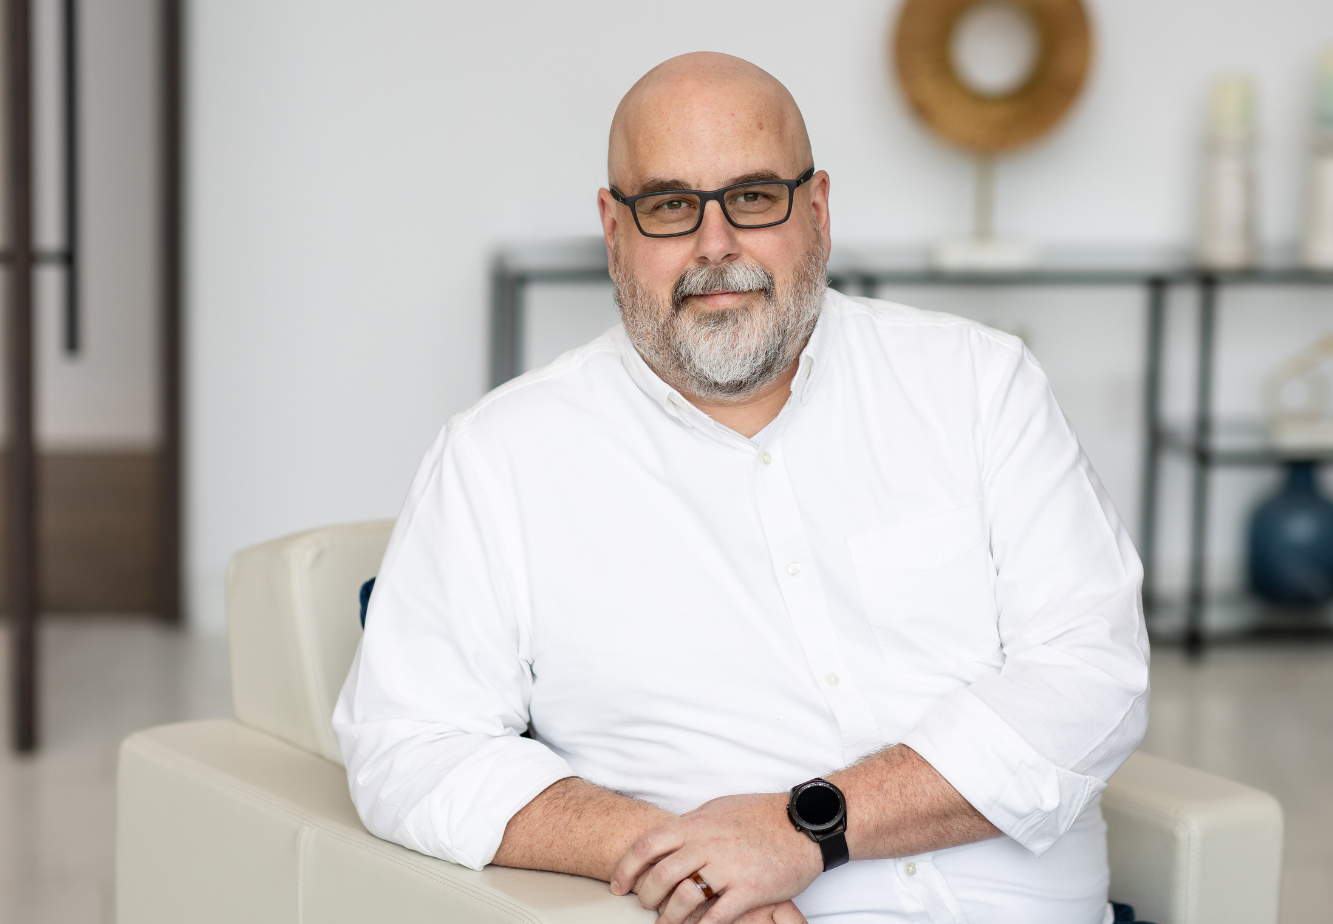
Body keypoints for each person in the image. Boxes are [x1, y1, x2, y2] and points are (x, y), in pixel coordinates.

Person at [334, 52, 1149, 924]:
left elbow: (1091, 672)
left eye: (754, 197)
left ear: (819, 211)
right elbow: (409, 746)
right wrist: (684, 861)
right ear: (614, 231)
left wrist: (802, 832)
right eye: (670, 206)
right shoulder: (498, 457)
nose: (715, 244)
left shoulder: (979, 385)